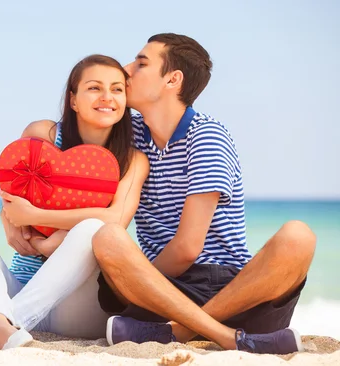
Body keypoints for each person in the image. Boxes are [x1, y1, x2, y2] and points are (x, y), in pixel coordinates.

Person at [90, 33, 316, 355]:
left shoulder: (207, 135)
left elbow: (186, 249)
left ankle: (180, 332)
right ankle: (229, 337)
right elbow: (62, 131)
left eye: (140, 63)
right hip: (165, 292)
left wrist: (144, 283)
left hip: (230, 289)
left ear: (172, 79)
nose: (125, 70)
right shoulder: (130, 132)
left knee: (299, 236)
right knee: (108, 237)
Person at [0, 54, 149, 350]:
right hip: (24, 286)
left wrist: (38, 217)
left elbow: (115, 219)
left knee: (91, 229)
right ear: (73, 99)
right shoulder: (41, 135)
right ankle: (3, 329)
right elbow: (12, 198)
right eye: (95, 88)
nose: (107, 97)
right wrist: (10, 223)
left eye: (117, 89)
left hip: (79, 306)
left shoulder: (133, 160)